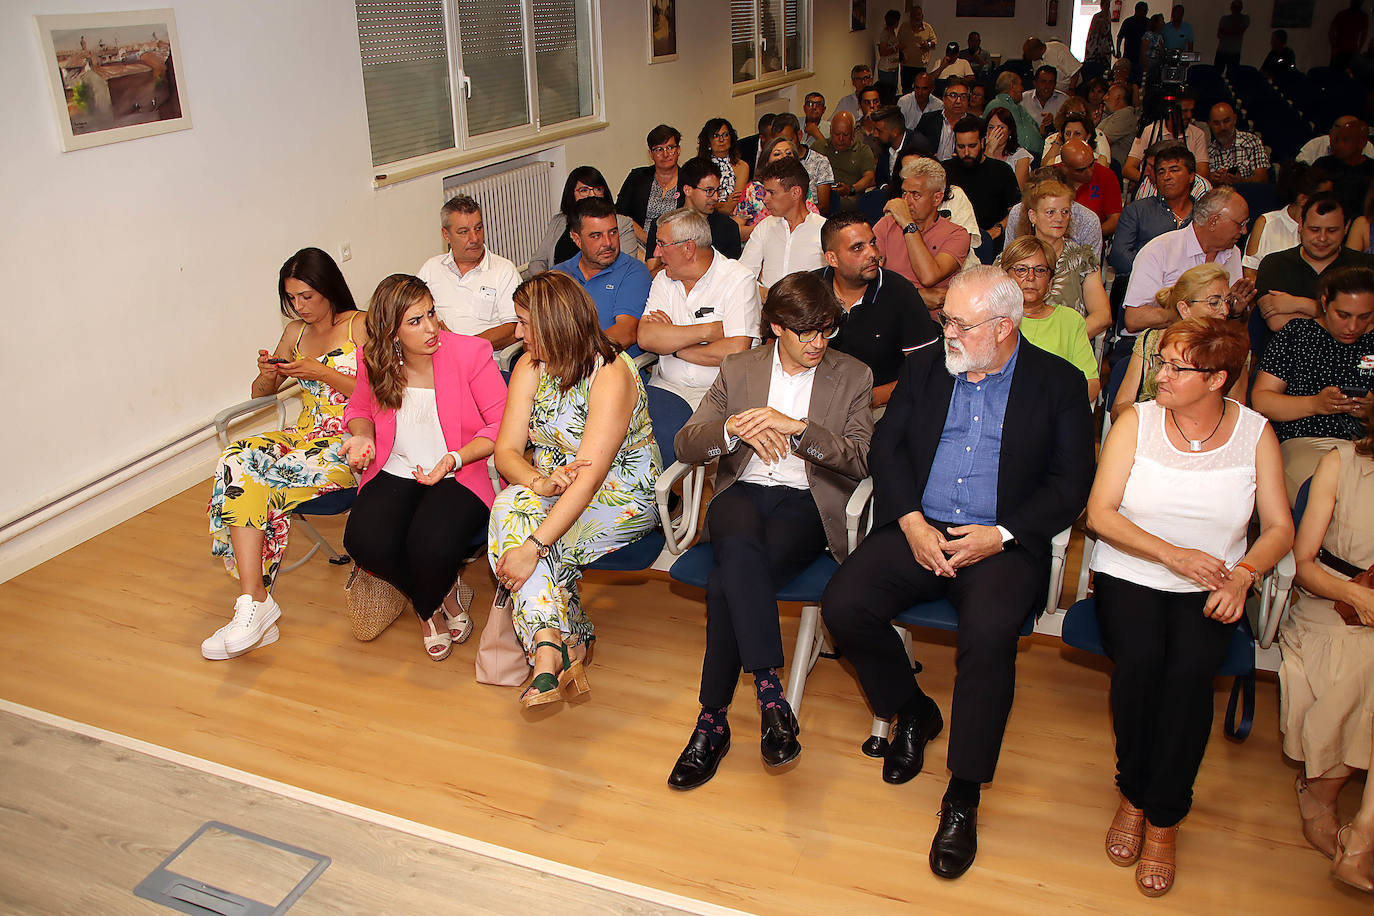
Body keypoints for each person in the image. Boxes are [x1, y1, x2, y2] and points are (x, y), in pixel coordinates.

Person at [821, 266, 1095, 881]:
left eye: (958, 324)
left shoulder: (1058, 383)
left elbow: (1070, 483)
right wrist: (913, 522)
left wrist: (1000, 535)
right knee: (845, 606)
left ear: (1003, 327)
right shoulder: (926, 370)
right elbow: (887, 450)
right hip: (922, 526)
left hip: (1001, 542)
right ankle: (912, 710)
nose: (945, 332)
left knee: (989, 637)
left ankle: (963, 792)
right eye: (946, 318)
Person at [1086, 317, 1291, 898]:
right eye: (1163, 362)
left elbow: (1277, 528)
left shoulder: (1255, 433)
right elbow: (1100, 515)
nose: (1162, 375)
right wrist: (1172, 555)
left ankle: (1165, 816)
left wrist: (1244, 576)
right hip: (1132, 571)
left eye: (1178, 367)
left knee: (1190, 678)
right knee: (1142, 665)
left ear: (1218, 378)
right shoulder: (1137, 421)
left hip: (1216, 581)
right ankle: (1133, 790)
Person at [666, 272, 874, 790]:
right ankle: (769, 693)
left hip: (807, 501)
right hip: (743, 494)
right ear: (777, 326)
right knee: (737, 535)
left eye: (827, 331)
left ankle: (711, 723)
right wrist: (730, 431)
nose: (819, 344)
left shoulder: (853, 375)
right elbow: (686, 444)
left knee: (726, 583)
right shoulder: (739, 369)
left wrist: (800, 430)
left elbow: (861, 460)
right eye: (807, 333)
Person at [488, 271, 661, 707]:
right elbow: (506, 452)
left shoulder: (610, 373)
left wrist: (533, 545)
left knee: (542, 548)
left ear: (556, 325)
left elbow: (590, 477)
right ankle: (555, 646)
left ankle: (556, 649)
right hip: (552, 483)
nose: (517, 333)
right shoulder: (530, 365)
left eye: (526, 324)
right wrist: (539, 481)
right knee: (510, 502)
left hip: (619, 489)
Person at [202, 248, 365, 660]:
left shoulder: (359, 325)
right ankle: (256, 602)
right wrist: (268, 372)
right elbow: (261, 395)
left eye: (307, 296)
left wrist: (323, 373)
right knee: (236, 459)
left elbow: (380, 393)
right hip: (306, 434)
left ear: (329, 288)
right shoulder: (294, 333)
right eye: (292, 298)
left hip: (351, 441)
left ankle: (257, 607)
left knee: (256, 481)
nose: (300, 306)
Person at [339, 275, 506, 661]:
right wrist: (362, 436)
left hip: (457, 472)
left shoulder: (470, 353)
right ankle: (436, 600)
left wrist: (456, 457)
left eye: (431, 313)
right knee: (364, 541)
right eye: (415, 321)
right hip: (395, 468)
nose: (432, 327)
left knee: (430, 543)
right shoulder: (375, 359)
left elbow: (502, 423)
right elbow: (359, 409)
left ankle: (427, 609)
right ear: (391, 332)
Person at [1281, 403, 1374, 894]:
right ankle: (1321, 794)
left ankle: (1362, 834)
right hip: (1332, 598)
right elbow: (1305, 562)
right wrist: (1356, 595)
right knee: (1364, 664)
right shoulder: (1342, 463)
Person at [1252, 266, 1374, 499]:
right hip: (1305, 440)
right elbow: (1262, 399)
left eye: (1364, 317)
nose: (1353, 327)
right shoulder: (1298, 334)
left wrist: (1371, 409)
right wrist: (1315, 404)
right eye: (1344, 315)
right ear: (1325, 303)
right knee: (1331, 492)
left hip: (1365, 444)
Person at [639, 208, 761, 410]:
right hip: (665, 388)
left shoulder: (738, 280)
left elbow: (734, 352)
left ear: (688, 248)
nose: (655, 252)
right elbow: (646, 337)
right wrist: (708, 331)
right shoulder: (663, 279)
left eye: (661, 244)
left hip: (719, 393)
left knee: (685, 438)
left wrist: (674, 348)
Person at [819, 212, 940, 407]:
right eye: (858, 248)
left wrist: (866, 400)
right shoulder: (811, 289)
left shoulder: (900, 292)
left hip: (882, 404)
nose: (873, 253)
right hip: (818, 402)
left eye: (873, 243)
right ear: (832, 258)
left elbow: (924, 369)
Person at [1112, 264, 1243, 420]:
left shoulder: (1234, 350)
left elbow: (1235, 415)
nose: (1225, 311)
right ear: (1184, 309)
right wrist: (1147, 424)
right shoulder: (1151, 340)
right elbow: (1120, 406)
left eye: (1228, 301)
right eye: (1214, 303)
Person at [1124, 188, 1252, 333]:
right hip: (1158, 343)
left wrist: (1234, 310)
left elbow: (1229, 321)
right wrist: (1187, 312)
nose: (1244, 231)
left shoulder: (1233, 253)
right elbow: (1134, 319)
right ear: (1213, 221)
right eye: (1240, 224)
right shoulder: (1161, 250)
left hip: (1209, 344)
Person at [1256, 193, 1374, 334]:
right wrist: (1343, 319)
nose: (1322, 238)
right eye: (1314, 230)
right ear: (1301, 225)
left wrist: (1300, 304)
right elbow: (1277, 322)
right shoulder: (1274, 264)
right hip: (1292, 353)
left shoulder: (1366, 267)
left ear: (1346, 228)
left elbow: (1370, 324)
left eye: (1332, 230)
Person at [1000, 236, 1101, 401]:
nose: (1031, 277)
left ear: (1050, 280)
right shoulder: (990, 319)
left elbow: (1091, 384)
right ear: (1005, 276)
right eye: (1021, 269)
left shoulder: (1069, 321)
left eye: (1040, 270)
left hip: (1053, 414)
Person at [416, 197, 519, 350]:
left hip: (483, 360)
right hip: (437, 356)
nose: (474, 238)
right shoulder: (431, 268)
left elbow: (513, 329)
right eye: (464, 232)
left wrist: (462, 346)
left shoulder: (503, 270)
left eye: (478, 228)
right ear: (446, 235)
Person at [555, 197, 652, 352]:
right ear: (576, 239)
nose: (608, 242)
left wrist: (573, 355)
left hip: (612, 366)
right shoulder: (558, 275)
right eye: (596, 236)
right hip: (563, 367)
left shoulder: (633, 272)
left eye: (613, 232)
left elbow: (625, 333)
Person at [875, 157, 971, 311]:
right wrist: (915, 296)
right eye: (904, 193)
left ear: (937, 198)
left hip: (933, 322)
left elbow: (928, 276)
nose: (907, 201)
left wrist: (907, 224)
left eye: (916, 195)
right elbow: (868, 279)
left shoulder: (957, 235)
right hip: (889, 312)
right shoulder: (886, 225)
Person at [1020, 179, 1112, 340]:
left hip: (1068, 345)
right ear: (1033, 216)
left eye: (1065, 212)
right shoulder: (1014, 258)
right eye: (1050, 212)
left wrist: (1068, 341)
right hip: (1022, 345)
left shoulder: (1082, 259)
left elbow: (1102, 315)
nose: (1059, 218)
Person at [523, 167, 642, 280]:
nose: (592, 195)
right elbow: (537, 262)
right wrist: (551, 284)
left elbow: (624, 269)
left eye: (598, 189)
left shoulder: (622, 223)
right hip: (558, 288)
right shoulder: (559, 221)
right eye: (584, 190)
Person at [1111, 146, 1200, 285]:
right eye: (1161, 172)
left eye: (1174, 170)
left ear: (1191, 176)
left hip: (1192, 291)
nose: (1167, 177)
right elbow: (1119, 258)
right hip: (1144, 289)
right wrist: (1163, 274)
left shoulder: (1203, 216)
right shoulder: (1137, 210)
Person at [738, 157, 827, 293]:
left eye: (771, 193)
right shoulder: (765, 226)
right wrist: (762, 293)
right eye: (765, 192)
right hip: (768, 308)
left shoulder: (824, 230)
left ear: (795, 193)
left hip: (809, 310)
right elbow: (743, 274)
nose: (765, 199)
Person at [943, 115, 1021, 264]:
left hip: (991, 241)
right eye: (961, 147)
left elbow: (1016, 209)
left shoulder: (1002, 170)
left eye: (972, 146)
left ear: (983, 142)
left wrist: (998, 228)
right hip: (952, 242)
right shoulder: (946, 170)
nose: (966, 152)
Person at [645, 156, 743, 262]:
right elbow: (652, 272)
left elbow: (732, 272)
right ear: (687, 190)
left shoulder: (728, 228)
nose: (716, 197)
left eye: (718, 190)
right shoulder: (663, 225)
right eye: (709, 191)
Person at [1246, 163, 1331, 280]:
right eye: (1325, 197)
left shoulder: (1330, 229)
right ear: (1303, 199)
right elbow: (1250, 274)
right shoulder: (1266, 223)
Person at [734, 136, 822, 236]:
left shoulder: (802, 188)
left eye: (788, 153)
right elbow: (737, 231)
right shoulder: (752, 190)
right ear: (766, 161)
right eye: (777, 154)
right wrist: (766, 228)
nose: (784, 156)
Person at [617, 124, 684, 245]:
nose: (665, 154)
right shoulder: (637, 177)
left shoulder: (688, 180)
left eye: (670, 148)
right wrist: (649, 242)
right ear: (650, 153)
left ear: (678, 150)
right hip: (638, 242)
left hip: (676, 244)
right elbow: (621, 214)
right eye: (659, 149)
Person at [1125, 94, 1210, 183]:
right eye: (1184, 111)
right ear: (1170, 111)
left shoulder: (1198, 134)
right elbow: (1128, 169)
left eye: (1191, 110)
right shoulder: (1149, 131)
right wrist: (1153, 183)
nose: (1189, 115)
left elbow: (1203, 173)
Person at [813, 111, 877, 213]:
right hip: (820, 194)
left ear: (853, 132)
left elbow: (869, 177)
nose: (841, 139)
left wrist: (851, 189)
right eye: (837, 134)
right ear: (830, 131)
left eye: (846, 134)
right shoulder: (819, 147)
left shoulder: (863, 150)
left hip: (848, 197)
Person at [772, 113, 836, 215]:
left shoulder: (820, 162)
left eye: (790, 140)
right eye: (779, 142)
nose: (785, 146)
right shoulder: (772, 162)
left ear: (799, 135)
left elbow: (823, 206)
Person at [1314, 120, 1374, 224]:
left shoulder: (1372, 169)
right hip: (1328, 224)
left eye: (1345, 140)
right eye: (1337, 140)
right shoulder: (1323, 165)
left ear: (1362, 143)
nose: (1339, 145)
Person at [1060, 137, 1122, 237]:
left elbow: (1115, 219)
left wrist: (1090, 236)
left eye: (1091, 164)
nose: (1089, 172)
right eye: (1081, 170)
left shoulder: (1106, 175)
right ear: (1064, 167)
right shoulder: (1050, 176)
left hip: (1093, 241)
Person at [985, 71, 1045, 158]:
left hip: (1033, 156)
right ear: (1013, 86)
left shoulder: (1020, 108)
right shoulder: (996, 105)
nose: (1022, 88)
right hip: (1013, 156)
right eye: (1020, 85)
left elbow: (1036, 128)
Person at [1207, 103, 1269, 187]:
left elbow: (1262, 179)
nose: (1222, 127)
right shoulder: (1207, 151)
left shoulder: (1252, 141)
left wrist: (1242, 181)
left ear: (1234, 119)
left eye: (1226, 121)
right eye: (1217, 123)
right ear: (1210, 125)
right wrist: (1213, 181)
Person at [698, 117, 750, 214]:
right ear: (708, 141)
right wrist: (722, 205)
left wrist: (721, 205)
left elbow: (734, 203)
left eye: (725, 135)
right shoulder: (700, 166)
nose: (721, 139)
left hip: (734, 215)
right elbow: (701, 202)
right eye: (716, 136)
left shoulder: (742, 166)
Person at [914, 78, 972, 162]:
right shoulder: (928, 119)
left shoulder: (975, 124)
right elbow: (915, 147)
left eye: (963, 96)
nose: (958, 101)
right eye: (953, 96)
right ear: (944, 99)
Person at [1042, 105, 1112, 168]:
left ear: (1088, 136)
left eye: (1077, 134)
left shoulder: (1100, 161)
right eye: (1068, 134)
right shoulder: (1053, 162)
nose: (1071, 138)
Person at [984, 106, 1032, 189]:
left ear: (1010, 131)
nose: (995, 132)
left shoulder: (1021, 156)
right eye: (991, 128)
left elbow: (1016, 191)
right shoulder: (978, 152)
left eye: (1000, 128)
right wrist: (989, 151)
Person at [1298, 116, 1374, 166]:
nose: (1340, 133)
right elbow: (1300, 168)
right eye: (1337, 128)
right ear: (1330, 131)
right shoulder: (1317, 147)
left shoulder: (1368, 149)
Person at [897, 5, 938, 92]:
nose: (916, 17)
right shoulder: (904, 27)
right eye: (914, 15)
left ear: (922, 16)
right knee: (906, 90)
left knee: (921, 90)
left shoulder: (927, 28)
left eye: (918, 14)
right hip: (906, 65)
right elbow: (898, 44)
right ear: (910, 16)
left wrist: (928, 44)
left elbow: (934, 43)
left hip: (920, 66)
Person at [1099, 84, 1140, 170]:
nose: (1104, 98)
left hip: (1114, 169)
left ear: (1118, 98)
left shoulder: (1125, 114)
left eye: (1108, 94)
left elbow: (1101, 141)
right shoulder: (1116, 115)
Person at [1023, 66, 1069, 139]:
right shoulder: (1023, 99)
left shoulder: (1064, 100)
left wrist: (1054, 123)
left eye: (1051, 82)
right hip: (1028, 144)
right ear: (1035, 83)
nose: (1047, 86)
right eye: (1043, 82)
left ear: (1055, 84)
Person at [1331, 0, 1371, 71]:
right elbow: (1331, 31)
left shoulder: (1362, 16)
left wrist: (1334, 46)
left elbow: (1363, 35)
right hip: (1344, 50)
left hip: (1348, 51)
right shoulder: (1361, 16)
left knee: (1340, 73)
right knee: (1339, 73)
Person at [1118, 2, 1153, 82]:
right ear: (1137, 10)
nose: (1144, 13)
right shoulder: (1128, 22)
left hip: (1143, 56)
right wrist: (1118, 50)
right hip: (1129, 54)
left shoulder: (1148, 22)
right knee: (1128, 78)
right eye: (1142, 10)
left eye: (1145, 11)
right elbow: (1120, 37)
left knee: (1141, 79)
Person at [1215, 1, 1250, 72]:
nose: (1235, 9)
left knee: (1232, 74)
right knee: (1217, 72)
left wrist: (1227, 30)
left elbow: (1239, 32)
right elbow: (1219, 34)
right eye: (1234, 7)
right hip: (1223, 50)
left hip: (1233, 52)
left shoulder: (1245, 18)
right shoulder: (1225, 19)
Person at [876, 10, 902, 88]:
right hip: (886, 69)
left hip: (894, 67)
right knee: (887, 92)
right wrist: (896, 47)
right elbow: (883, 52)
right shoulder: (885, 34)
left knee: (893, 91)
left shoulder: (892, 32)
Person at [1086, 0, 1115, 69]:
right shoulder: (1097, 17)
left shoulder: (1108, 16)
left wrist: (1112, 47)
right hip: (1096, 48)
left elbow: (1108, 33)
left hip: (1105, 48)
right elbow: (1093, 33)